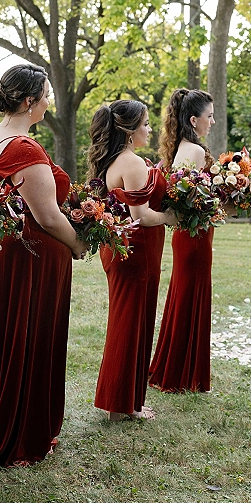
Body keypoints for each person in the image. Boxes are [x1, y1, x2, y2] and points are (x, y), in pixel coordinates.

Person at [0, 64, 87, 467]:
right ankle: (19, 431)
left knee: (8, 334)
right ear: (29, 100)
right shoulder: (24, 147)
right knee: (28, 334)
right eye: (47, 94)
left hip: (10, 254)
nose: (50, 101)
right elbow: (48, 215)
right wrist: (77, 244)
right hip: (32, 260)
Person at [87, 100, 176, 421]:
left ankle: (123, 401)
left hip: (124, 248)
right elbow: (141, 215)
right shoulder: (132, 163)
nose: (151, 130)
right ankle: (121, 405)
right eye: (147, 124)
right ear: (128, 130)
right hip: (135, 250)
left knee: (128, 322)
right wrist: (172, 216)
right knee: (130, 324)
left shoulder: (115, 161)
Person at [149, 89, 215, 392]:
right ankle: (182, 374)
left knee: (183, 295)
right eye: (209, 116)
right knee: (191, 296)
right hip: (196, 236)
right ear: (193, 119)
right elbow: (195, 201)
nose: (212, 122)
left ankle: (172, 368)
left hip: (187, 236)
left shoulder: (180, 149)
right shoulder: (196, 152)